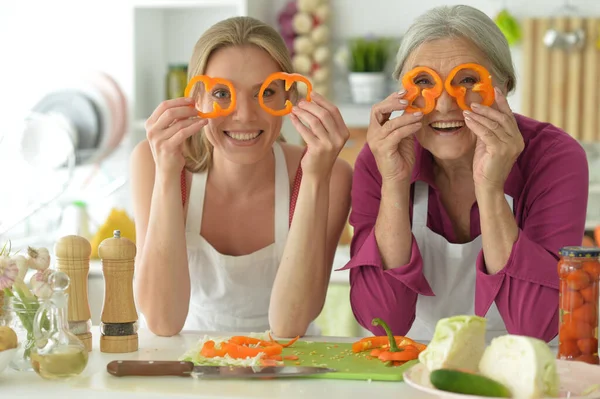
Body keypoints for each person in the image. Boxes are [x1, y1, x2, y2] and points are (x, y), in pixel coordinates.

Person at [340, 5, 589, 343]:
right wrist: (395, 184)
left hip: (523, 366)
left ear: (504, 87)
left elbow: (535, 328)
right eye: (424, 81)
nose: (444, 104)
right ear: (403, 92)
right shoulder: (382, 157)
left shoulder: (553, 158)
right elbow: (381, 320)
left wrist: (489, 187)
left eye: (468, 80)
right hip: (416, 362)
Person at [130, 16, 353, 337]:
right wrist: (166, 176)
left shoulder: (329, 174)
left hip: (289, 368)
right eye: (222, 93)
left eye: (266, 92)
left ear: (289, 99)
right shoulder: (153, 163)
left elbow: (288, 326)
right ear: (196, 99)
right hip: (187, 363)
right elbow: (163, 321)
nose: (245, 115)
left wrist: (315, 178)